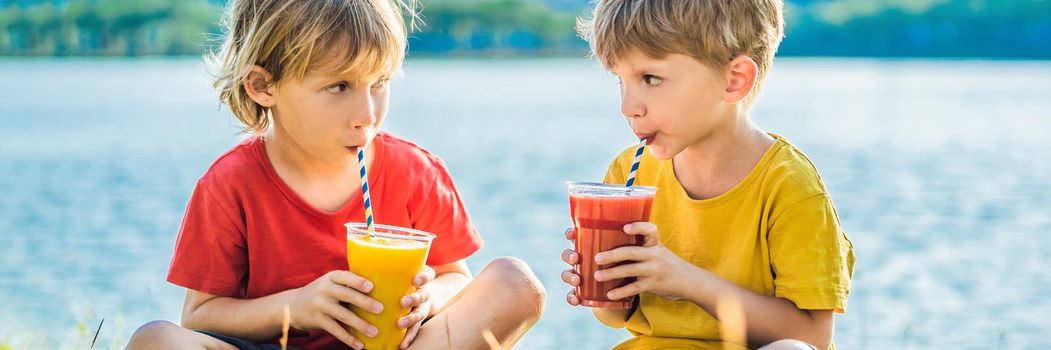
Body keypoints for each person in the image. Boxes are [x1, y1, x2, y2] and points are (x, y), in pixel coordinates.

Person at [127, 1, 544, 349]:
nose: (367, 116)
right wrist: (297, 307)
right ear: (262, 86)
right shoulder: (230, 184)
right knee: (156, 340)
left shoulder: (416, 171)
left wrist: (428, 298)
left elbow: (456, 279)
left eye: (378, 83)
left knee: (515, 283)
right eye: (339, 87)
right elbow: (199, 314)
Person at [561, 1, 855, 349]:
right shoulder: (630, 174)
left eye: (651, 78)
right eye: (620, 80)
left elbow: (812, 338)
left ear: (733, 81)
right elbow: (616, 318)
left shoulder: (788, 186)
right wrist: (604, 282)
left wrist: (686, 281)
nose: (628, 107)